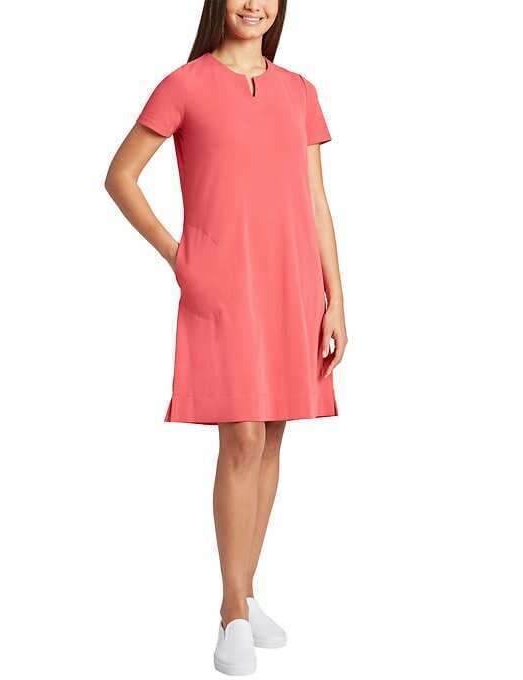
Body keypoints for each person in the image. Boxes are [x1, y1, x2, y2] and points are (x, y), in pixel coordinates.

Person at [105, 0, 347, 674]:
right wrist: (179, 254)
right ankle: (231, 612)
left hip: (293, 282)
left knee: (272, 434)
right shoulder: (186, 84)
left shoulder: (300, 91)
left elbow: (316, 200)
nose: (253, 4)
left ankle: (245, 591)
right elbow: (120, 176)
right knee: (241, 434)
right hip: (223, 282)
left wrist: (336, 297)